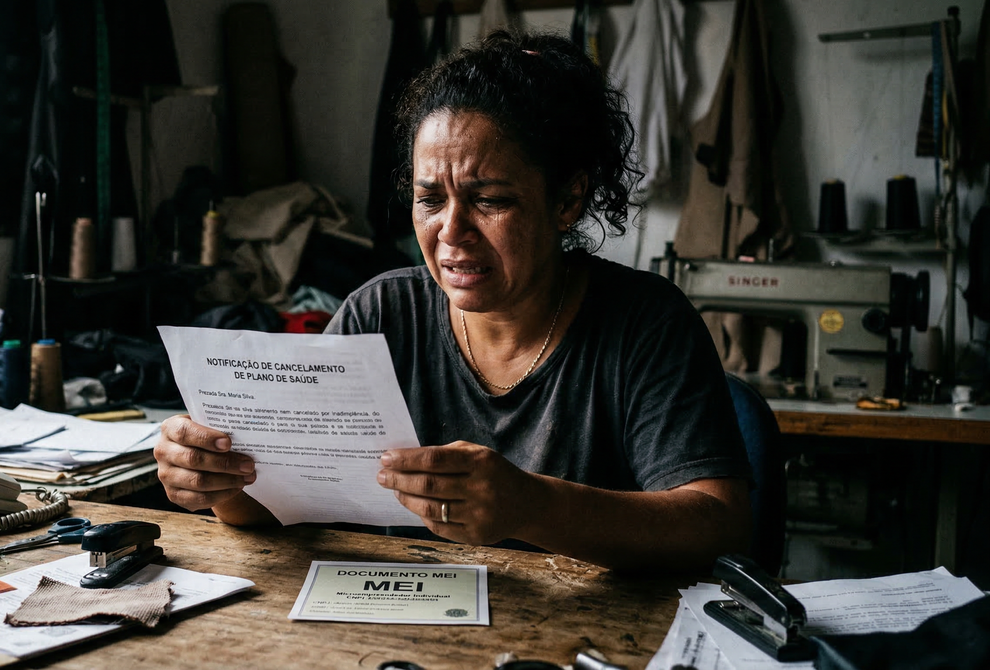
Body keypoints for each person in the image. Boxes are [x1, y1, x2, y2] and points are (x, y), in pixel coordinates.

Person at [155, 31, 752, 572]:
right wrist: (219, 481)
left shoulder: (646, 323)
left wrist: (531, 507)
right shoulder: (379, 317)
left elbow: (717, 524)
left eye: (489, 200)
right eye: (430, 199)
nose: (451, 231)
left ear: (568, 200)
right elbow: (281, 503)